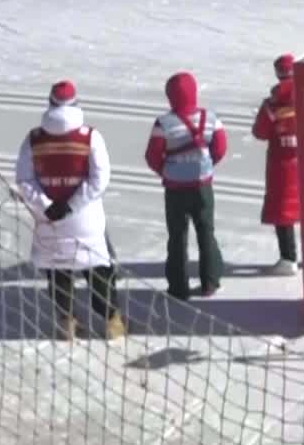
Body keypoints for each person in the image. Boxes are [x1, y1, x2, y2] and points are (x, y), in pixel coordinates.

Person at [15, 80, 124, 341]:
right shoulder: (90, 137)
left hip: (49, 221)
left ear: (50, 103)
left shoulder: (33, 139)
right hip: (85, 218)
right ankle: (112, 322)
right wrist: (72, 204)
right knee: (98, 269)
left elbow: (24, 180)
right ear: (76, 104)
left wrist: (47, 205)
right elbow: (100, 178)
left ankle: (67, 322)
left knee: (58, 270)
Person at [145, 72, 228, 300]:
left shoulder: (164, 124)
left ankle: (178, 288)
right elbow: (220, 148)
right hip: (202, 187)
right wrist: (206, 166)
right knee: (206, 233)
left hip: (175, 190)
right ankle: (210, 282)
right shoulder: (211, 119)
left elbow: (152, 156)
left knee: (177, 237)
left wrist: (167, 170)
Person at [251, 54, 302, 275]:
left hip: (281, 163)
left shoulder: (272, 105)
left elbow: (260, 132)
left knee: (284, 209)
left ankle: (288, 257)